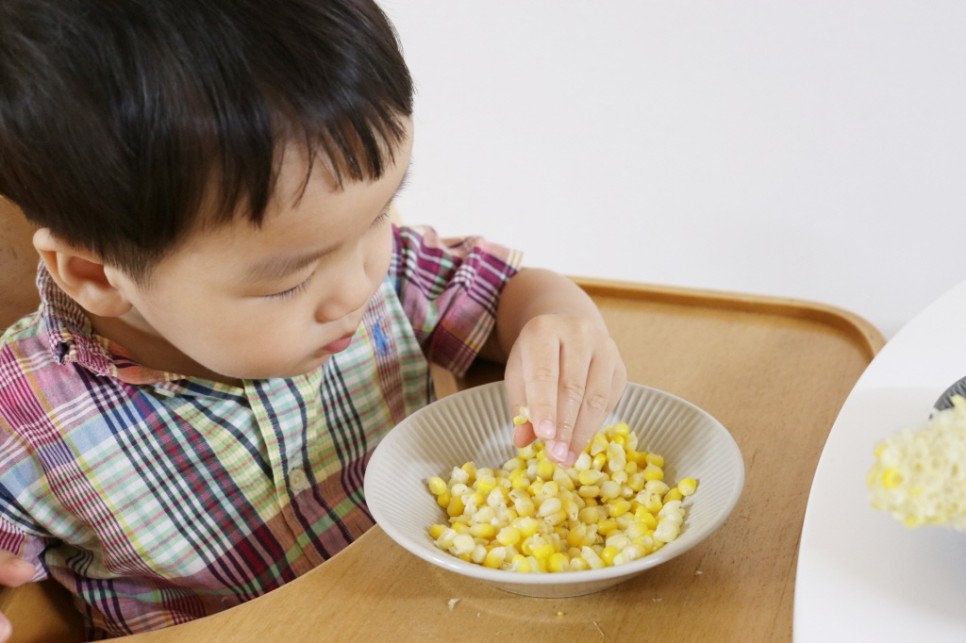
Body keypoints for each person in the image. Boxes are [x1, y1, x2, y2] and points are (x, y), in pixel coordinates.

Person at [0, 0, 627, 638]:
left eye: (380, 215)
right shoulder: (18, 418)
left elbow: (504, 296)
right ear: (94, 275)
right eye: (293, 280)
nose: (360, 283)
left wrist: (557, 316)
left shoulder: (388, 272)